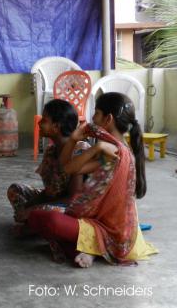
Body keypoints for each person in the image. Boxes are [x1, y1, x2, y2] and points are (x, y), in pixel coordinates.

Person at [26, 92, 157, 267]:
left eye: (96, 113)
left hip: (113, 233)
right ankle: (88, 248)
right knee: (38, 217)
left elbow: (70, 170)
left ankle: (94, 249)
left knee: (46, 220)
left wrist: (98, 147)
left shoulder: (119, 153)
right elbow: (69, 168)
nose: (92, 119)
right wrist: (77, 139)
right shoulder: (107, 149)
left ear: (108, 119)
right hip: (95, 224)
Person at [7, 99, 89, 234]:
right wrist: (28, 207)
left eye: (44, 120)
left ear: (56, 127)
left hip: (76, 209)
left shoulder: (79, 150)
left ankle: (37, 224)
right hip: (55, 201)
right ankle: (34, 223)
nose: (39, 123)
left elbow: (73, 198)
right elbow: (50, 192)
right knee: (15, 190)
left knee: (46, 211)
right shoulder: (51, 151)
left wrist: (32, 209)